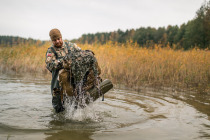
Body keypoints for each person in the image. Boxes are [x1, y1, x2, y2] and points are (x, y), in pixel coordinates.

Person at [45, 28, 82, 113]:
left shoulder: (71, 46)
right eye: (54, 40)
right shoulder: (51, 51)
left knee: (75, 102)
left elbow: (82, 54)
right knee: (58, 107)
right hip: (58, 84)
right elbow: (50, 65)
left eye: (58, 39)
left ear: (61, 37)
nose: (57, 41)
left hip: (72, 80)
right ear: (52, 41)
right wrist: (64, 62)